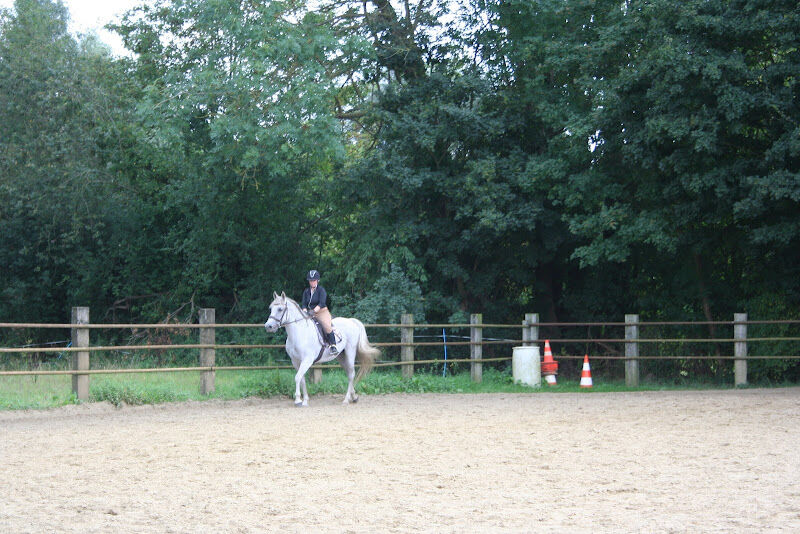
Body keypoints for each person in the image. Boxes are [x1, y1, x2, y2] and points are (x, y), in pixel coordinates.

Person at [301, 269, 338, 355]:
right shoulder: (306, 291)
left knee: (326, 325)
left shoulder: (321, 290)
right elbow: (303, 304)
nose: (312, 282)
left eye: (314, 280)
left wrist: (313, 311)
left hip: (321, 312)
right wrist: (305, 311)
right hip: (309, 312)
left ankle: (333, 345)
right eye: (310, 281)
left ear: (317, 281)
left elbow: (322, 303)